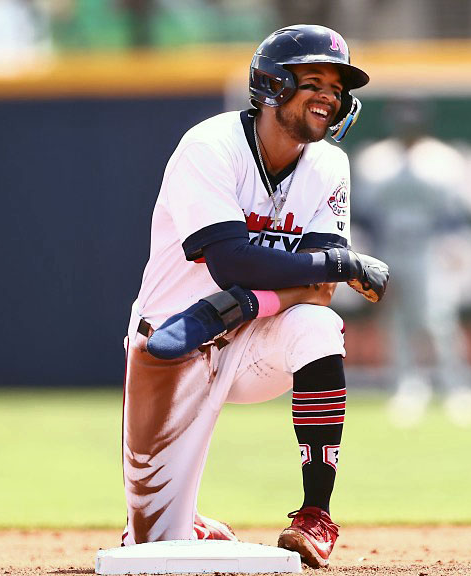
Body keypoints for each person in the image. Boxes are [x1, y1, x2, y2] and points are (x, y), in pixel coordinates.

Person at [120, 24, 388, 569]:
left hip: (254, 337)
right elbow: (231, 262)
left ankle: (315, 515)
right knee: (152, 551)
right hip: (173, 345)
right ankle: (186, 524)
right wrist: (338, 261)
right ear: (272, 84)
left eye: (337, 88)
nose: (329, 96)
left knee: (317, 325)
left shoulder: (329, 165)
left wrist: (249, 304)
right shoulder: (209, 147)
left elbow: (318, 290)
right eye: (313, 81)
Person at [353, 98, 471, 428]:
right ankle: (407, 386)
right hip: (389, 249)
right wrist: (368, 257)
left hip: (429, 249)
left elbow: (454, 215)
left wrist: (456, 249)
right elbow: (365, 217)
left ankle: (457, 387)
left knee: (438, 318)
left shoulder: (442, 159)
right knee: (395, 320)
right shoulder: (375, 160)